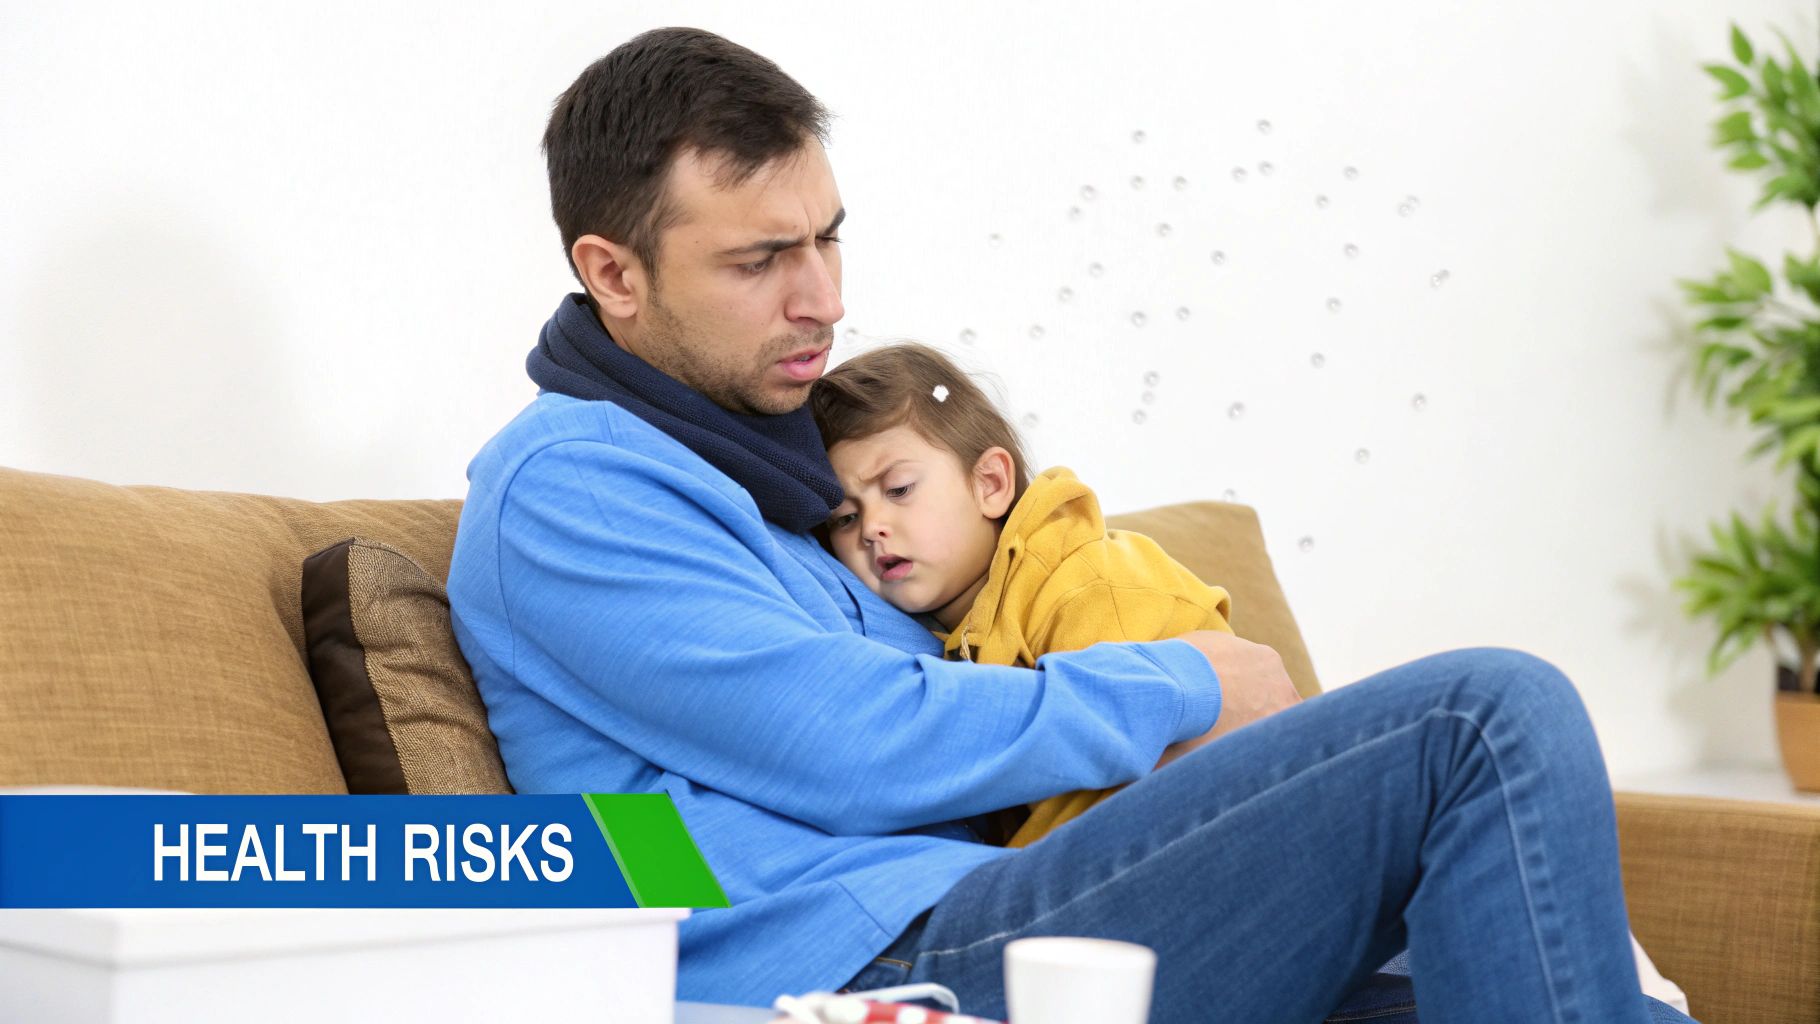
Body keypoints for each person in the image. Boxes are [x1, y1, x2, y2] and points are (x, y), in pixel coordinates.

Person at [445, 26, 1698, 1023]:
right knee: (1479, 716)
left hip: (983, 902)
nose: (824, 295)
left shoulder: (783, 482)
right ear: (613, 273)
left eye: (828, 237)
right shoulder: (569, 489)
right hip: (874, 957)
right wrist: (1177, 684)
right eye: (760, 257)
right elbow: (855, 743)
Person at [811, 342, 1237, 848]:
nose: (873, 528)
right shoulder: (929, 642)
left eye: (899, 488)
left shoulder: (1090, 586)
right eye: (845, 517)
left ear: (990, 483)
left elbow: (1122, 789)